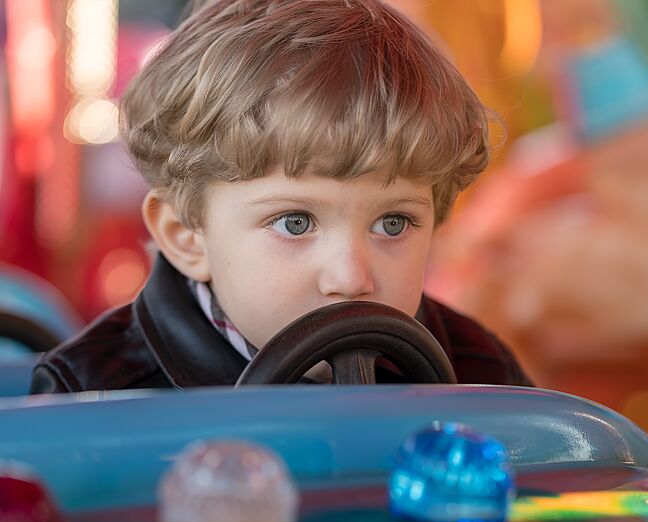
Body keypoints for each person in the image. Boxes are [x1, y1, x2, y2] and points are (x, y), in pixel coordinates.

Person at [30, 0, 531, 393]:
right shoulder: (94, 391)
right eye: (295, 222)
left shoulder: (479, 373)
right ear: (186, 235)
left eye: (393, 224)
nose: (350, 278)